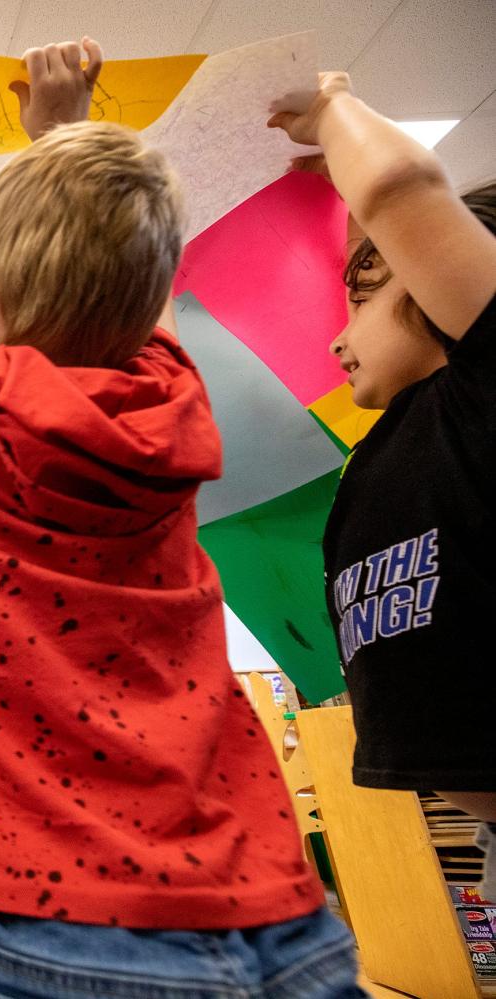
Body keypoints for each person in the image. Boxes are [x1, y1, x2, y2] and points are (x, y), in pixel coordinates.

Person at [0, 43, 364, 997]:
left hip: (42, 916)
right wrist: (65, 138)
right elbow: (118, 287)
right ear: (153, 308)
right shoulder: (172, 400)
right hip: (261, 897)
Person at [268, 75, 496, 888]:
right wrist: (346, 211)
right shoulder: (393, 436)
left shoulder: (485, 385)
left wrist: (332, 114)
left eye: (360, 301)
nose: (338, 339)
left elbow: (408, 195)